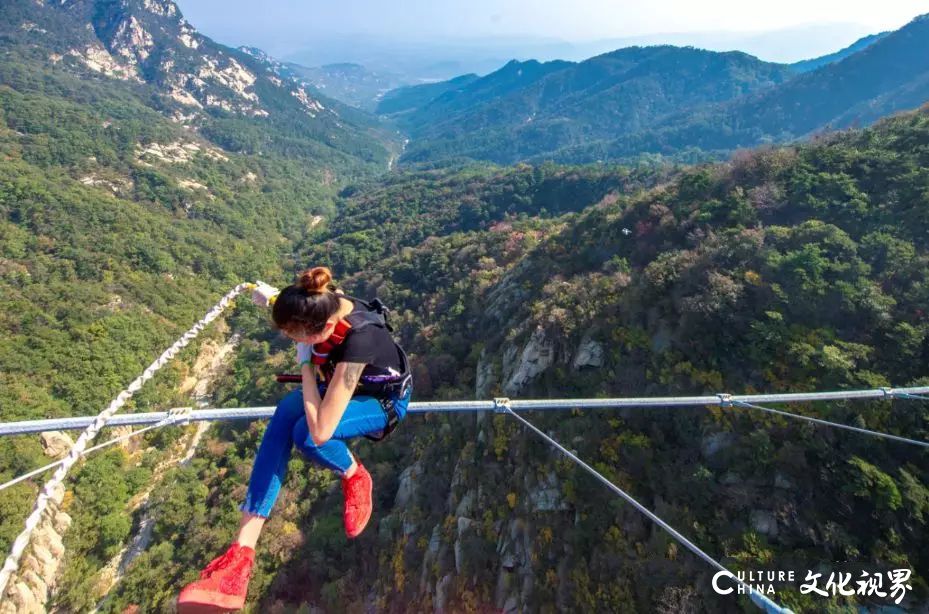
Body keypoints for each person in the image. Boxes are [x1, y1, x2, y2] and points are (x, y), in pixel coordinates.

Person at [177, 266, 413, 612]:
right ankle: (239, 558)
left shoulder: (363, 341)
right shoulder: (321, 302)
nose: (295, 343)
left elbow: (321, 430)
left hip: (382, 399)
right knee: (284, 415)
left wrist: (305, 365)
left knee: (307, 434)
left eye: (299, 339)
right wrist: (271, 298)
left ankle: (354, 474)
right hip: (344, 382)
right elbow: (302, 307)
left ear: (325, 329)